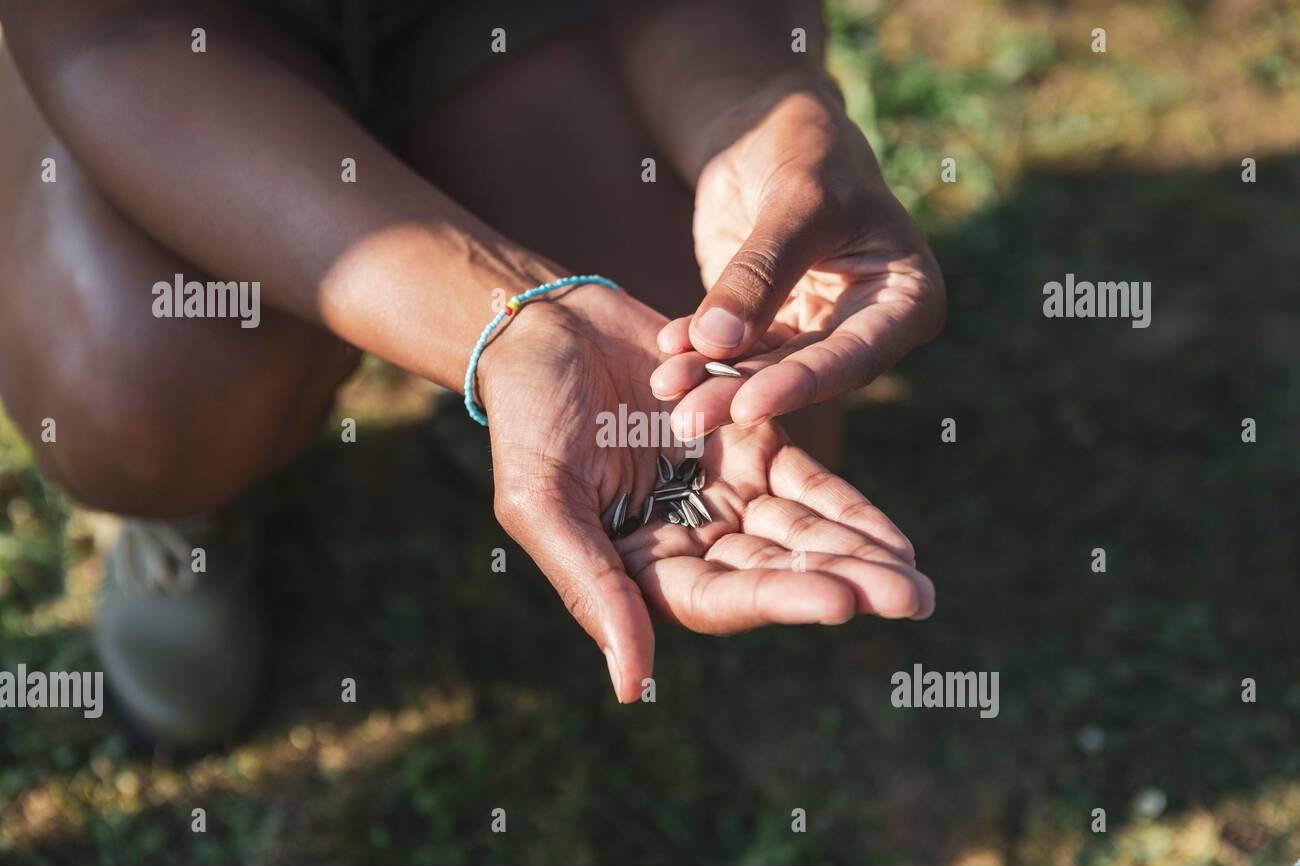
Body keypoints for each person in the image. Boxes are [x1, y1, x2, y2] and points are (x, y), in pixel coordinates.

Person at [0, 0, 945, 746]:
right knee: (142, 382)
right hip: (172, 43)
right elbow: (109, 32)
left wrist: (754, 111)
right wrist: (509, 319)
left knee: (729, 410)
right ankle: (191, 506)